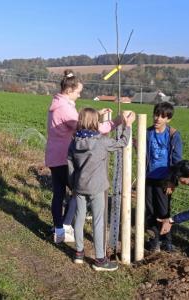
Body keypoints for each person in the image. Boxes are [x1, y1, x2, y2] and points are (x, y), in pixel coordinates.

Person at [44, 70, 120, 244]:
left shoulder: (58, 103)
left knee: (59, 193)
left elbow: (79, 119)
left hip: (54, 154)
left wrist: (96, 114)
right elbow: (92, 128)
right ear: (69, 91)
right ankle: (65, 227)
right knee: (78, 191)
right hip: (65, 157)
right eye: (78, 92)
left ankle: (59, 229)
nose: (79, 95)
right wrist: (115, 121)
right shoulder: (64, 108)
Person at [69, 108, 135, 271]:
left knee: (79, 218)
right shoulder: (102, 142)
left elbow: (70, 166)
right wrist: (128, 126)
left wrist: (73, 185)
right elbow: (122, 143)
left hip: (79, 186)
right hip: (97, 187)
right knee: (98, 221)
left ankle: (78, 253)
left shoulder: (74, 142)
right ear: (94, 122)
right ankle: (100, 260)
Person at [145, 102, 183, 252]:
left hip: (165, 180)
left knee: (163, 210)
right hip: (148, 178)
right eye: (156, 114)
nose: (157, 118)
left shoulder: (173, 135)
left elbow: (177, 161)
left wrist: (172, 181)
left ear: (168, 119)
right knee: (149, 210)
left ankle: (167, 241)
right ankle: (155, 240)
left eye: (162, 116)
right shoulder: (147, 132)